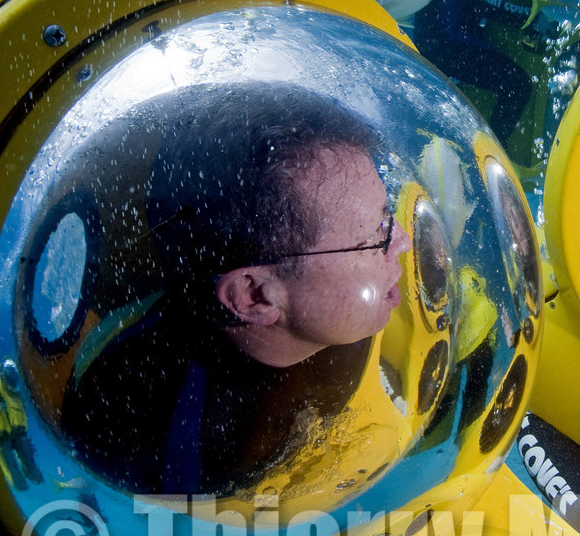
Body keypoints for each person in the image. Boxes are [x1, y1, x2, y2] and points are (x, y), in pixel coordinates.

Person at [58, 82, 414, 495]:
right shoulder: (162, 442)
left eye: (388, 214)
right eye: (379, 233)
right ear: (254, 295)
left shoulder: (329, 305)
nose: (404, 241)